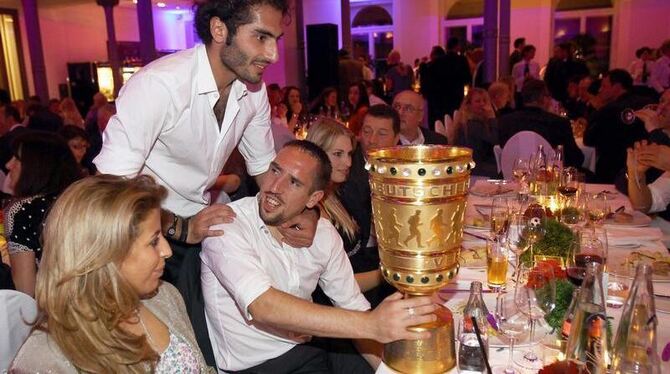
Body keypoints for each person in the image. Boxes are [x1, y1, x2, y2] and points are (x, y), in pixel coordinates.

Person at [93, 0, 316, 365]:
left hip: (198, 228)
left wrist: (303, 212)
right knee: (160, 352)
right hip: (140, 237)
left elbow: (264, 171)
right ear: (219, 30)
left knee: (204, 345)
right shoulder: (159, 85)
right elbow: (110, 187)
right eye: (260, 37)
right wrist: (180, 228)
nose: (273, 54)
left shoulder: (254, 92)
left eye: (275, 39)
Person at [201, 140, 436, 372]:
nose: (274, 187)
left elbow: (352, 305)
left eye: (294, 182)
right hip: (253, 367)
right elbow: (263, 305)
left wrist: (386, 370)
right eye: (275, 171)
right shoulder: (227, 223)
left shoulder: (323, 234)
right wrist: (371, 324)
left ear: (313, 199)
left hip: (308, 353)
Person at [10, 175, 209, 372]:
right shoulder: (46, 356)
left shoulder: (165, 296)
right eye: (154, 241)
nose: (167, 251)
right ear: (104, 254)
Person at [306, 118, 381, 291]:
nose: (347, 163)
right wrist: (386, 275)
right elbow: (332, 285)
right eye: (338, 154)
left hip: (360, 285)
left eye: (349, 154)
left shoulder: (335, 192)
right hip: (338, 302)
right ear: (316, 154)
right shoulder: (311, 209)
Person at [5, 131, 81, 297]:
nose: (9, 165)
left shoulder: (22, 210)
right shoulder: (81, 199)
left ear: (35, 166)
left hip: (54, 313)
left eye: (16, 159)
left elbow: (26, 291)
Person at [583, 69, 653, 183]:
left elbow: (589, 139)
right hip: (646, 172)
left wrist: (597, 110)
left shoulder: (610, 110)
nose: (600, 90)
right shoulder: (647, 103)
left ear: (617, 87)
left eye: (604, 86)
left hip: (612, 174)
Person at [498, 79, 585, 168]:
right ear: (543, 98)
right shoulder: (559, 123)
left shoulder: (506, 121)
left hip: (512, 174)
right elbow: (576, 158)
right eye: (548, 96)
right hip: (548, 177)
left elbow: (503, 151)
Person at [452, 88, 499, 177]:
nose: (482, 104)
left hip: (476, 164)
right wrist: (492, 118)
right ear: (469, 105)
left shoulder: (477, 121)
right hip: (473, 168)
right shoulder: (472, 124)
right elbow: (495, 141)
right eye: (478, 101)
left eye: (484, 101)